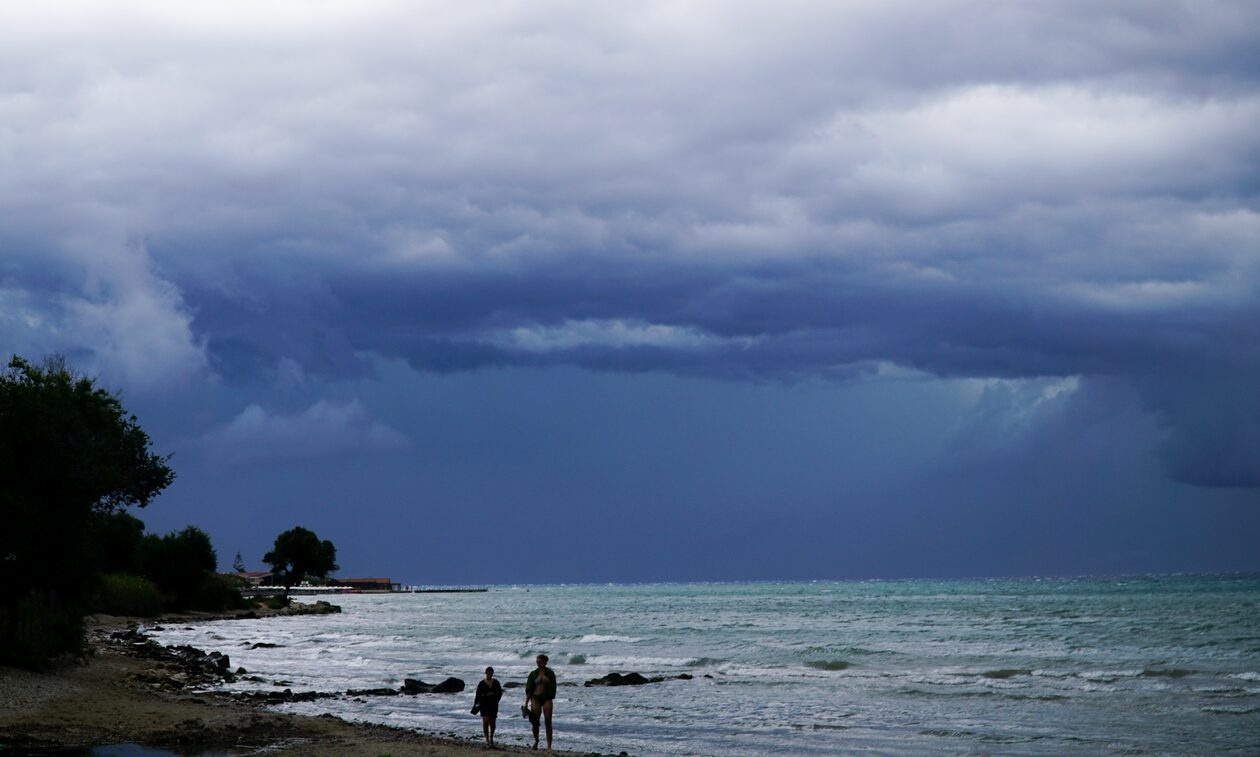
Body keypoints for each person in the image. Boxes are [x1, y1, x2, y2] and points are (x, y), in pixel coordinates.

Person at [525, 653, 556, 751]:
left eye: (540, 662)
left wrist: (547, 682)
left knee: (548, 722)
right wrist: (526, 702)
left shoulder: (550, 673)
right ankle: (536, 740)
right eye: (537, 662)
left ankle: (549, 746)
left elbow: (553, 688)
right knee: (535, 722)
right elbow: (529, 689)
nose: (538, 663)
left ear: (545, 662)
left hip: (546, 698)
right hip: (535, 698)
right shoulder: (533, 674)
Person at [473, 666, 503, 748]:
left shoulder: (496, 682)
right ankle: (487, 740)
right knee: (485, 720)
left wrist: (495, 697)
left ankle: (491, 738)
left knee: (493, 722)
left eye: (491, 673)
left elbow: (500, 693)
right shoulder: (481, 683)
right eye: (488, 673)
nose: (489, 674)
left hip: (493, 704)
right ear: (485, 673)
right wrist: (476, 704)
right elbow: (478, 695)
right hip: (484, 704)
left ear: (493, 673)